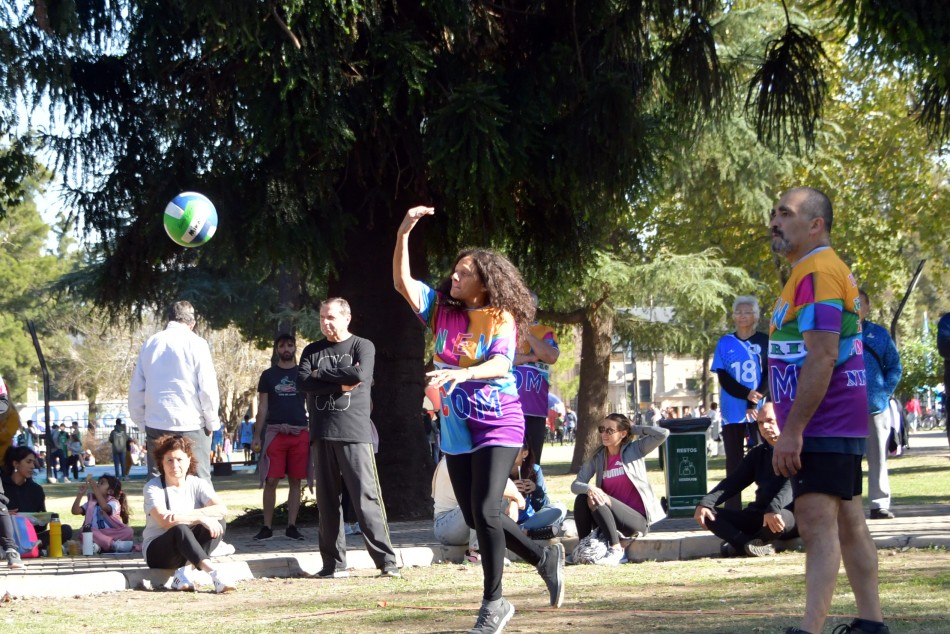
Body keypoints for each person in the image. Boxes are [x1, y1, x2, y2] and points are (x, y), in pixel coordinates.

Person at [394, 205, 566, 632]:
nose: (454, 277)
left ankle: (494, 603)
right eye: (454, 271)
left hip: (499, 420)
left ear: (485, 282)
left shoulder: (500, 316)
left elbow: (503, 364)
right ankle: (543, 557)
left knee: (487, 510)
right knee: (474, 516)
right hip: (455, 426)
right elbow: (401, 281)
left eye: (464, 273)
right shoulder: (440, 310)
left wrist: (464, 371)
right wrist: (404, 232)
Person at [768, 186, 887, 634]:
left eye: (786, 213)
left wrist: (793, 430)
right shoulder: (811, 271)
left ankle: (810, 630)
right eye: (774, 213)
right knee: (850, 521)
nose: (775, 221)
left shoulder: (817, 271)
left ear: (815, 224)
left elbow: (822, 355)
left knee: (818, 525)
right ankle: (871, 624)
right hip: (835, 419)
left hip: (823, 421)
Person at [297, 298, 399, 579]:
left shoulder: (362, 346)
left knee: (366, 498)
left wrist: (322, 376)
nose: (325, 323)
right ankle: (332, 564)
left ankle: (387, 563)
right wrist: (336, 381)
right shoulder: (312, 350)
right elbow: (302, 382)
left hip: (354, 432)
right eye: (321, 318)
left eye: (330, 317)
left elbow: (360, 374)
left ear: (346, 318)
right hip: (321, 433)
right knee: (327, 503)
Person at [129, 300, 221, 482]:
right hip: (192, 422)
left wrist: (142, 422)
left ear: (168, 320)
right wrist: (211, 422)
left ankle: (156, 512)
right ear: (192, 323)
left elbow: (137, 388)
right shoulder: (197, 343)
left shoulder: (150, 343)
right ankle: (203, 512)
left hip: (156, 421)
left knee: (157, 481)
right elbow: (207, 389)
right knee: (200, 479)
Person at [694, 402, 798, 557]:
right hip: (758, 515)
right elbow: (733, 482)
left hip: (787, 514)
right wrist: (705, 503)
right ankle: (747, 545)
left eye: (770, 421)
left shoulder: (798, 449)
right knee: (708, 514)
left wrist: (773, 509)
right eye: (761, 423)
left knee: (778, 519)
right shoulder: (757, 453)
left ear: (784, 420)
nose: (765, 427)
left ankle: (741, 544)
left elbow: (791, 485)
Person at [571, 413, 669, 565]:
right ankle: (584, 547)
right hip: (608, 518)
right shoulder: (598, 457)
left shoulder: (635, 449)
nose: (604, 434)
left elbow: (663, 433)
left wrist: (632, 429)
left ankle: (617, 550)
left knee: (598, 497)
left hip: (637, 521)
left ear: (623, 433)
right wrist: (589, 487)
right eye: (602, 429)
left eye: (610, 430)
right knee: (583, 497)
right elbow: (576, 485)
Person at [142, 434, 235, 593]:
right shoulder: (153, 487)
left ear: (189, 460)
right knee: (180, 528)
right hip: (158, 551)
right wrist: (199, 517)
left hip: (185, 545)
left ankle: (183, 572)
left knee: (217, 523)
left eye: (179, 460)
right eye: (169, 460)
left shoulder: (197, 483)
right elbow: (164, 520)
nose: (175, 465)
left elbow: (221, 509)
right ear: (161, 464)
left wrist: (192, 517)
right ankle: (215, 574)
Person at [251, 333, 311, 542]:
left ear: (295, 348)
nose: (286, 349)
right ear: (277, 350)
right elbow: (262, 407)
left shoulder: (303, 374)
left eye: (290, 345)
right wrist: (257, 435)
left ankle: (291, 526)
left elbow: (311, 403)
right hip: (275, 433)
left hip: (299, 432)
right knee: (271, 480)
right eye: (282, 346)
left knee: (296, 480)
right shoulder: (268, 376)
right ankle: (267, 526)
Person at [711, 295, 769, 511]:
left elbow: (769, 375)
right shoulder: (725, 342)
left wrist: (755, 400)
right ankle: (732, 508)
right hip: (732, 407)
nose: (742, 316)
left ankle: (763, 504)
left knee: (763, 456)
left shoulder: (765, 341)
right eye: (738, 312)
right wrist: (747, 395)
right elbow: (724, 377)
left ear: (756, 316)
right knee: (734, 460)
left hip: (760, 410)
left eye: (747, 312)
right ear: (733, 316)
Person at [858, 289, 903, 520]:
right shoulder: (836, 335)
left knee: (878, 459)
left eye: (860, 303)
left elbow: (895, 366)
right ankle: (849, 506)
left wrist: (885, 392)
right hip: (843, 409)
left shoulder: (879, 334)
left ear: (867, 307)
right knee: (846, 460)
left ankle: (879, 504)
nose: (855, 307)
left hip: (875, 407)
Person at [512, 296, 560, 466]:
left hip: (535, 410)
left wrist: (525, 333)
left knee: (531, 465)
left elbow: (550, 356)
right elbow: (499, 359)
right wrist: (531, 357)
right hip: (506, 408)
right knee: (506, 464)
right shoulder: (502, 328)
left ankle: (530, 493)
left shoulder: (545, 331)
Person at [1, 445, 75, 550]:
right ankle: (31, 548)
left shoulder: (36, 490)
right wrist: (5, 515)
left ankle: (35, 545)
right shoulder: (2, 486)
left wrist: (42, 519)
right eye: (28, 462)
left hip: (31, 537)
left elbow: (41, 528)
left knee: (65, 530)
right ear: (16, 464)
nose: (32, 466)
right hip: (6, 535)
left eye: (33, 462)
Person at [510, 443, 567, 539]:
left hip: (528, 521)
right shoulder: (496, 470)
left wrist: (536, 490)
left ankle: (521, 531)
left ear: (524, 453)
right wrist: (508, 490)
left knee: (560, 508)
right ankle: (530, 533)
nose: (508, 451)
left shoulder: (534, 471)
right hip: (503, 519)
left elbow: (543, 506)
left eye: (514, 447)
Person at [70, 474, 135, 553]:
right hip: (96, 533)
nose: (97, 485)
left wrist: (94, 488)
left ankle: (99, 546)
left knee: (128, 531)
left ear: (110, 491)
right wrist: (80, 494)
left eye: (101, 483)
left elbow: (104, 507)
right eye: (98, 483)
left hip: (111, 533)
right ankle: (113, 545)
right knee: (83, 530)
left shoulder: (114, 503)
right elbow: (75, 511)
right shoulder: (91, 502)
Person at [431, 456, 479, 560]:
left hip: (463, 526)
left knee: (500, 501)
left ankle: (496, 549)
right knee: (480, 501)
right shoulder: (450, 463)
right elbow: (478, 488)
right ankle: (476, 553)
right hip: (445, 527)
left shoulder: (475, 460)